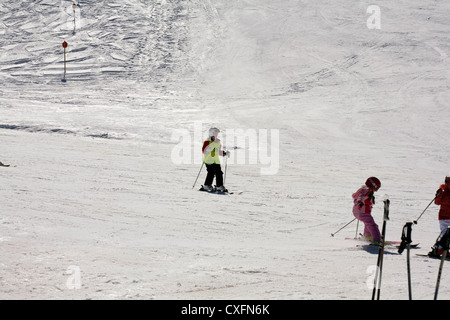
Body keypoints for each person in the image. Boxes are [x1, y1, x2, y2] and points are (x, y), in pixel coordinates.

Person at [352, 177, 382, 243]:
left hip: (358, 211)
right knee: (372, 225)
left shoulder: (366, 189)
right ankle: (377, 240)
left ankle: (367, 237)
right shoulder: (367, 189)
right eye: (376, 188)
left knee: (368, 223)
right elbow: (361, 196)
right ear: (372, 185)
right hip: (362, 211)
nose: (376, 190)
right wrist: (360, 202)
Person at [201, 127, 230, 192]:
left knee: (219, 173)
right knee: (211, 172)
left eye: (217, 133)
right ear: (211, 133)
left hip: (216, 161)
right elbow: (204, 151)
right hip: (209, 160)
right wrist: (213, 143)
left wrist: (224, 153)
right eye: (215, 132)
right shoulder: (207, 141)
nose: (216, 134)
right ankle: (207, 185)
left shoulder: (218, 142)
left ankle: (219, 186)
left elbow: (218, 152)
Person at [429, 176, 450, 257]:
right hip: (444, 216)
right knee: (445, 233)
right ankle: (439, 249)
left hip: (445, 216)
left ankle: (444, 249)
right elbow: (437, 202)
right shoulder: (443, 191)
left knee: (446, 234)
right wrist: (439, 194)